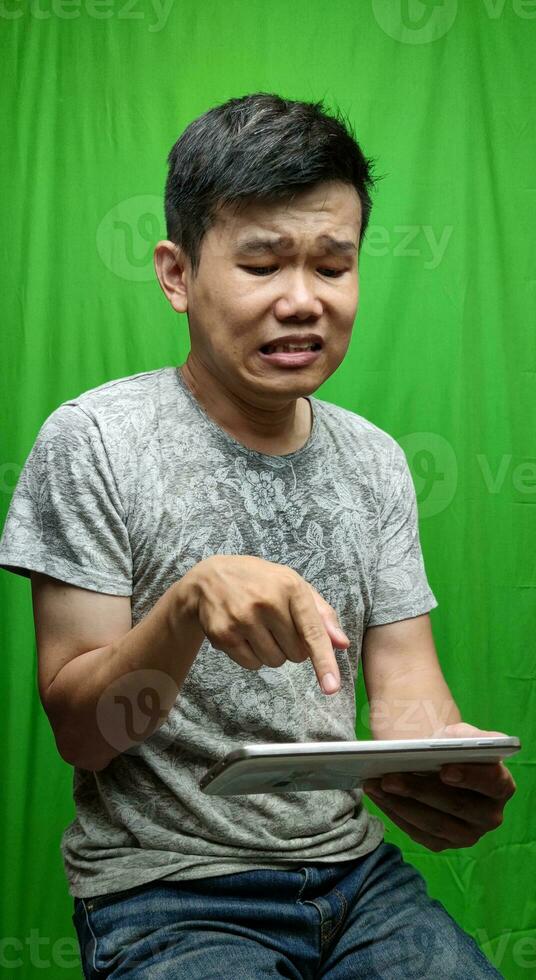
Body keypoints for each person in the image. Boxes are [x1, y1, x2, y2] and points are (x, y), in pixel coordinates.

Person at [0, 93, 514, 979]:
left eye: (333, 266)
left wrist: (444, 770)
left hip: (359, 880)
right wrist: (190, 603)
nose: (303, 301)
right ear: (176, 273)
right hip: (166, 889)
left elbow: (405, 697)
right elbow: (84, 735)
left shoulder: (378, 461)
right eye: (262, 263)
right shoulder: (94, 440)